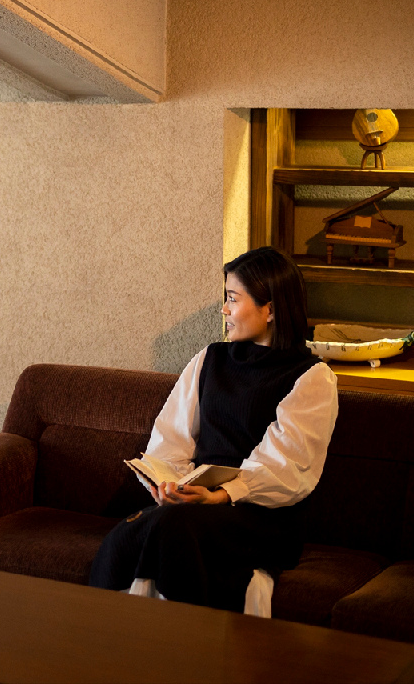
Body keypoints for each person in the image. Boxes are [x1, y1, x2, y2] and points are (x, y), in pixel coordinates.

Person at [89, 246, 338, 612]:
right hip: (196, 505)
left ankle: (185, 640)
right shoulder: (210, 359)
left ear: (270, 310)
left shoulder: (312, 377)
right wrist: (170, 484)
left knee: (172, 526)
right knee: (127, 534)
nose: (224, 309)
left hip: (261, 515)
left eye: (233, 299)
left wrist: (220, 495)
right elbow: (171, 438)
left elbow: (287, 468)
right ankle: (105, 632)